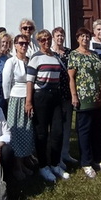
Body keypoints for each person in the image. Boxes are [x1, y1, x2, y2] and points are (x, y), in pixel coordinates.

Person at [26, 29, 68, 183]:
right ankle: (43, 166)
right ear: (38, 42)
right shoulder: (35, 58)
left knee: (57, 131)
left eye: (48, 39)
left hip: (55, 95)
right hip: (40, 96)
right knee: (41, 132)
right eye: (42, 40)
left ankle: (55, 163)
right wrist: (29, 101)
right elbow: (29, 81)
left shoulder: (56, 56)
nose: (46, 42)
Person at [68, 27, 101, 179]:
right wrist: (74, 96)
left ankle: (98, 159)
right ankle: (86, 162)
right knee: (84, 131)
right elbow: (71, 77)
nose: (85, 39)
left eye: (87, 36)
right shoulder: (74, 55)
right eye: (82, 36)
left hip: (97, 98)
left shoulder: (94, 55)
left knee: (98, 130)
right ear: (77, 39)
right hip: (83, 98)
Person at [2, 34, 35, 179]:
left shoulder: (29, 61)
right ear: (15, 45)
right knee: (16, 131)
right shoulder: (11, 62)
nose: (24, 46)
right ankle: (16, 166)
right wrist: (9, 98)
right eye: (21, 43)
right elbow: (6, 81)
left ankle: (24, 162)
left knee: (27, 131)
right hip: (16, 98)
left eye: (26, 43)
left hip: (29, 97)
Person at [51, 26, 77, 166]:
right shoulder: (50, 53)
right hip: (54, 93)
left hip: (67, 92)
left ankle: (65, 153)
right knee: (56, 125)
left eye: (62, 35)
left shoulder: (69, 53)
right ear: (53, 37)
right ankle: (56, 155)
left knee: (67, 124)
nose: (60, 38)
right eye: (57, 35)